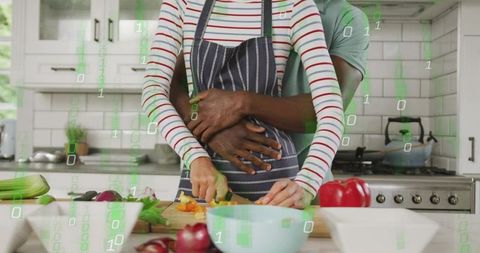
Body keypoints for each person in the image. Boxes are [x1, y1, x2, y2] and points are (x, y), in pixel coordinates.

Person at [142, 0, 345, 208]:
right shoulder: (182, 3)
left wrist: (307, 184)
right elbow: (153, 93)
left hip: (274, 190)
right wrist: (194, 155)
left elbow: (331, 111)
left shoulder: (296, 6)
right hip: (204, 181)